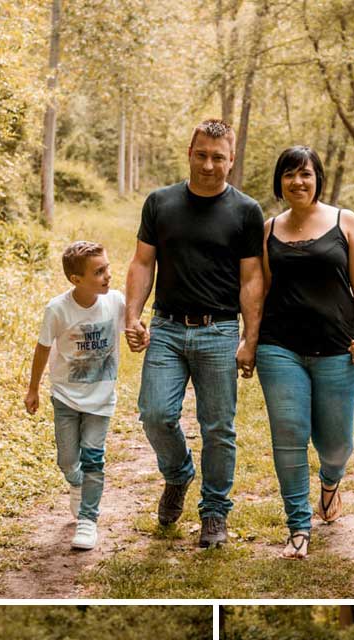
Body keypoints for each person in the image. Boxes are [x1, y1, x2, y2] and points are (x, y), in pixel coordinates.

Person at [125, 120, 265, 548]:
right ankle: (179, 473)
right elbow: (142, 263)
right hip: (167, 327)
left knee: (218, 428)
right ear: (189, 151)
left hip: (219, 330)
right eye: (202, 154)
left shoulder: (246, 211)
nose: (209, 164)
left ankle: (215, 512)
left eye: (218, 157)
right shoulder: (160, 202)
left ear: (231, 159)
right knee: (155, 413)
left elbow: (251, 279)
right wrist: (133, 315)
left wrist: (250, 337)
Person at [255, 146, 354, 560]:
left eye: (305, 174)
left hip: (338, 347)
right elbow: (261, 289)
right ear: (280, 182)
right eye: (289, 174)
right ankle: (298, 526)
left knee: (337, 443)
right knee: (289, 435)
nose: (297, 182)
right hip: (279, 347)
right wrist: (249, 338)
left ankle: (330, 483)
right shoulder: (268, 228)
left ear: (317, 178)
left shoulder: (346, 222)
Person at [24, 240, 126, 552]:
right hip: (66, 398)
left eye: (107, 268)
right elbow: (42, 349)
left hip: (100, 399)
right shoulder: (58, 309)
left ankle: (87, 520)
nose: (107, 275)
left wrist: (142, 333)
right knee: (68, 460)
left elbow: (134, 327)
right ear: (76, 280)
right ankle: (76, 482)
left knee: (94, 456)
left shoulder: (116, 302)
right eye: (99, 272)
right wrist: (33, 388)